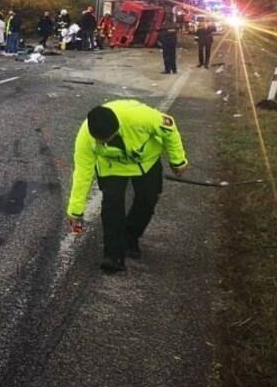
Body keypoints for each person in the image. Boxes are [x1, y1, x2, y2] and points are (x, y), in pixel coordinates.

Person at [67, 100, 189, 273]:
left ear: (116, 129)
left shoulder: (140, 117)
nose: (102, 144)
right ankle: (113, 255)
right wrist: (75, 210)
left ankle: (130, 238)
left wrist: (177, 160)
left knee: (147, 200)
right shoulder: (85, 137)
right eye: (99, 142)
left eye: (106, 140)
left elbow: (169, 129)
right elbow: (82, 173)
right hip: (112, 166)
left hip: (146, 161)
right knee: (112, 204)